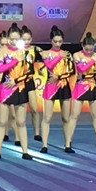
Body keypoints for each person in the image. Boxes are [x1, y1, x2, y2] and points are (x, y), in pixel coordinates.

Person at [0, 25, 34, 160]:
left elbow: (29, 72)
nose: (13, 42)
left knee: (21, 121)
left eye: (16, 39)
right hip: (4, 89)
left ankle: (25, 152)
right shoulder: (2, 52)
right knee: (2, 121)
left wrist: (16, 80)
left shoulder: (26, 53)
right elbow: (0, 68)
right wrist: (15, 60)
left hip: (20, 88)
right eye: (11, 39)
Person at [66, 32, 96, 149]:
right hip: (80, 86)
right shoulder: (77, 55)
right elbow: (81, 69)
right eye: (87, 49)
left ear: (94, 47)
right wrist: (92, 61)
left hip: (92, 86)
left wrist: (89, 71)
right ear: (82, 46)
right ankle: (68, 142)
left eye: (91, 49)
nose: (89, 52)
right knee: (74, 115)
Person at [40, 25, 75, 153]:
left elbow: (71, 71)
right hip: (50, 86)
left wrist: (59, 77)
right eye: (55, 41)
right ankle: (44, 145)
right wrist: (60, 56)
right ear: (51, 40)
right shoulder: (45, 53)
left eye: (60, 41)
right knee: (47, 118)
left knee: (66, 118)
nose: (57, 44)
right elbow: (49, 65)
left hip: (64, 86)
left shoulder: (67, 54)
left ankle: (67, 145)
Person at [19, 25, 42, 142]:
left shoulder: (35, 49)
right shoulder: (16, 51)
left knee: (34, 109)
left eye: (28, 39)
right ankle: (15, 135)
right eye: (24, 39)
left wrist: (42, 68)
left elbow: (47, 58)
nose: (26, 42)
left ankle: (37, 133)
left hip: (30, 81)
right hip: (19, 82)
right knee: (17, 112)